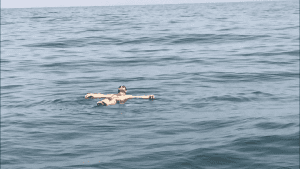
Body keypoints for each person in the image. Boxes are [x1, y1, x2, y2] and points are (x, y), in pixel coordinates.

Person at [85, 86, 155, 106]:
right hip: (117, 100)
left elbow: (100, 95)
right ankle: (104, 103)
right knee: (111, 100)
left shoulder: (112, 94)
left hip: (112, 99)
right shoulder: (127, 96)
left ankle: (103, 102)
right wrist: (149, 96)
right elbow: (138, 97)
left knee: (107, 99)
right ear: (125, 91)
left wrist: (91, 94)